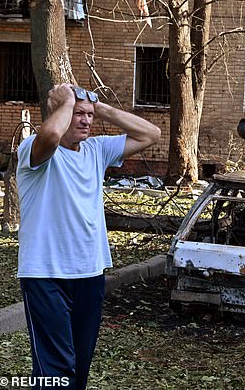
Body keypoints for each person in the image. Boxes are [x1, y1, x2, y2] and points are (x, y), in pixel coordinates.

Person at [16, 83, 161, 389]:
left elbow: (151, 134)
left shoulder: (96, 150)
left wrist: (102, 108)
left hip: (89, 273)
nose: (85, 120)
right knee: (56, 369)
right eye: (77, 113)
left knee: (79, 367)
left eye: (89, 115)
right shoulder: (34, 149)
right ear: (60, 112)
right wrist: (67, 101)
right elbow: (52, 136)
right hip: (45, 276)